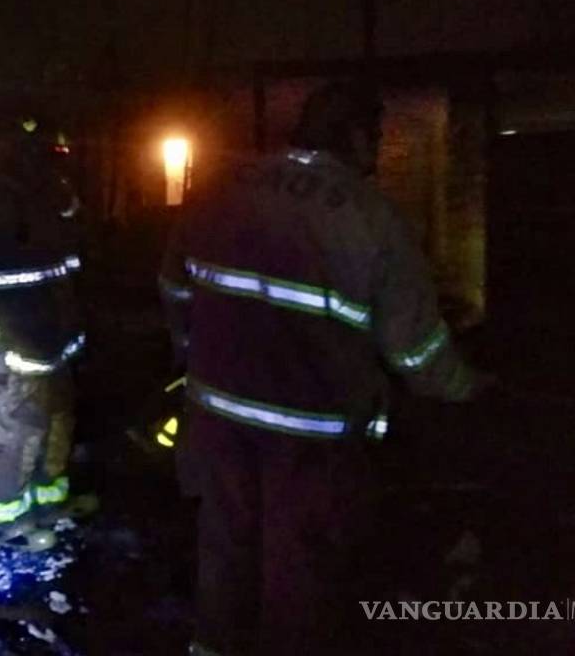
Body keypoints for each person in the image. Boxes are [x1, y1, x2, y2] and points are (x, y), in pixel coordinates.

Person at [160, 81, 483, 654]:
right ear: (356, 137)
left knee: (225, 548)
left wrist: (194, 352)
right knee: (298, 567)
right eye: (376, 138)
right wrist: (466, 390)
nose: (378, 153)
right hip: (310, 436)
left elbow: (175, 286)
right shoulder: (373, 218)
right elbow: (415, 350)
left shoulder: (221, 190)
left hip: (217, 416)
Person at [0, 113, 97, 551]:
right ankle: (4, 523)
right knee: (11, 435)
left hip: (51, 346)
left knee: (55, 427)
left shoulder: (45, 196)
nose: (44, 154)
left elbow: (66, 267)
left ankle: (47, 505)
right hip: (11, 352)